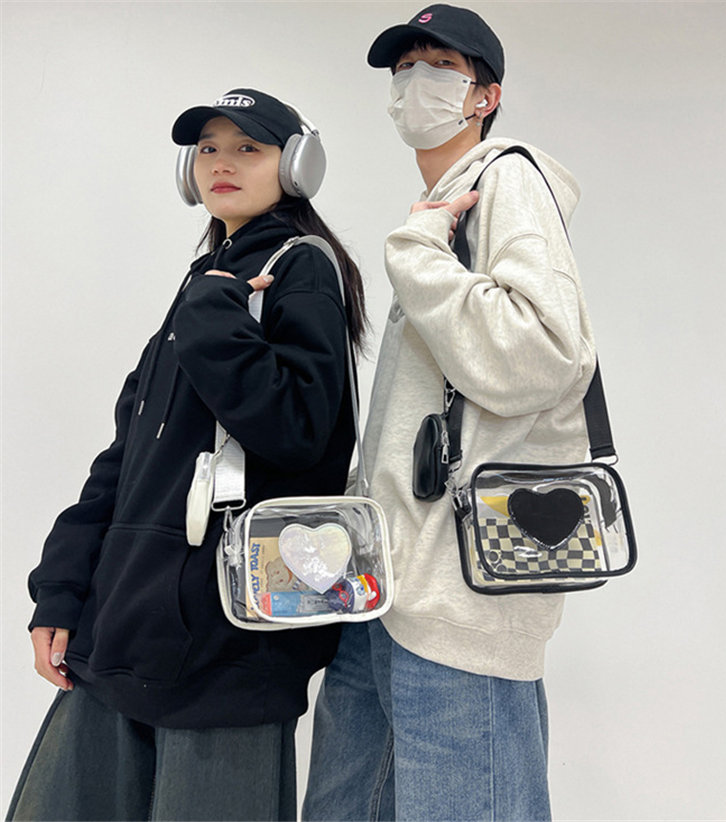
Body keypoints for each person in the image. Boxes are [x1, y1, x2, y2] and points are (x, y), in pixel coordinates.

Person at [8, 88, 366, 822]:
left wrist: (213, 318)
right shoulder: (208, 281)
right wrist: (63, 589)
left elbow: (299, 433)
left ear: (296, 166)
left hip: (224, 652)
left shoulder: (301, 268)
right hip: (124, 628)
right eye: (207, 149)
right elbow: (127, 457)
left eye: (248, 148)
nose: (221, 164)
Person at [302, 5, 597, 821]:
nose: (414, 83)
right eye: (403, 69)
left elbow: (543, 353)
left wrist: (415, 251)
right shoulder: (447, 201)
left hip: (460, 599)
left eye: (439, 66)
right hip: (389, 588)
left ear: (484, 96)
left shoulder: (508, 180)